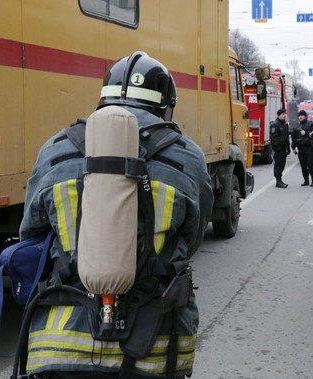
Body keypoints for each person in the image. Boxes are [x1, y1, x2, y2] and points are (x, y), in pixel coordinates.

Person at [19, 51, 214, 378]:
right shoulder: (187, 156)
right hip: (153, 348)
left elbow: (31, 235)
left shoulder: (55, 148)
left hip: (57, 344)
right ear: (166, 106)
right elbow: (192, 239)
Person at [291, 110, 313, 186]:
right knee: (303, 165)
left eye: (302, 115)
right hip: (300, 148)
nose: (300, 117)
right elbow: (293, 138)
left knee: (311, 164)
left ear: (305, 116)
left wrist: (306, 133)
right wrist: (293, 148)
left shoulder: (311, 124)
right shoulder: (296, 126)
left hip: (309, 147)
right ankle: (306, 180)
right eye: (299, 115)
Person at [270, 108, 290, 188]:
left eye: (285, 114)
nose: (284, 115)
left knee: (282, 164)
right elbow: (273, 138)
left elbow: (286, 137)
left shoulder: (284, 124)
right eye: (282, 114)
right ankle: (278, 181)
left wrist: (288, 147)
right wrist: (277, 148)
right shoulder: (275, 124)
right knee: (278, 165)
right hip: (279, 149)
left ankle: (280, 180)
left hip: (283, 149)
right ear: (279, 115)